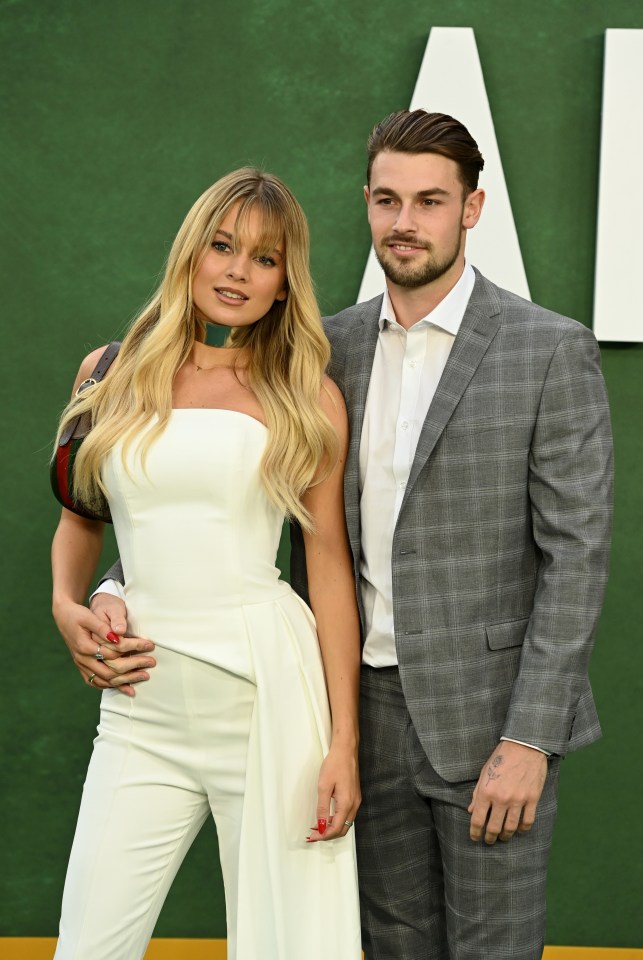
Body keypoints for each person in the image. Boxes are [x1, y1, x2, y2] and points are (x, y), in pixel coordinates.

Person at [77, 111, 613, 959]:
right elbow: (215, 497)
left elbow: (576, 559)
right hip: (349, 707)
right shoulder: (324, 353)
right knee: (387, 948)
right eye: (389, 200)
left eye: (430, 201)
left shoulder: (547, 350)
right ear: (366, 204)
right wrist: (114, 586)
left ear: (470, 209)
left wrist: (529, 738)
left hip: (487, 721)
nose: (406, 222)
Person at [50, 167, 362, 960]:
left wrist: (343, 745)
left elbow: (327, 569)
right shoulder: (107, 372)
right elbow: (80, 519)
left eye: (263, 259)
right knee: (87, 948)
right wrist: (68, 602)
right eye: (221, 247)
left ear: (285, 284)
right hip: (137, 711)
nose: (236, 272)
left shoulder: (305, 395)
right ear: (190, 254)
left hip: (269, 713)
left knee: (289, 950)